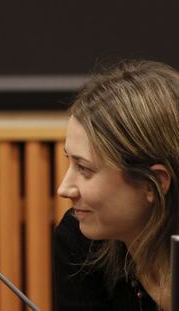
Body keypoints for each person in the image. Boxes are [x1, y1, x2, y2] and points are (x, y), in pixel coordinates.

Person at [53, 60, 179, 311]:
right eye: (70, 161)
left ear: (152, 184)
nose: (64, 189)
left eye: (85, 169)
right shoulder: (79, 242)